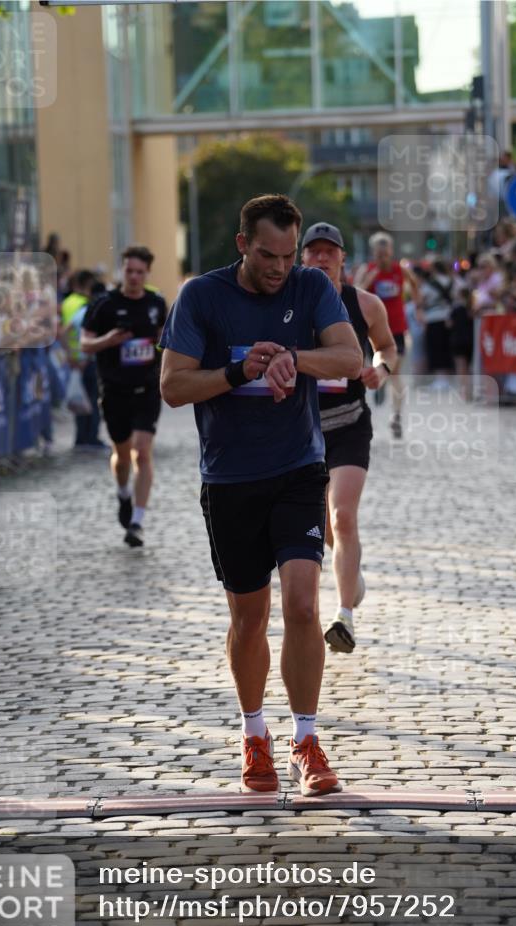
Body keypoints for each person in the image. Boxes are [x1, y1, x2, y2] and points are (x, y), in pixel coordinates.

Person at [160, 194, 363, 797]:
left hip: (299, 468)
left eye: (288, 256)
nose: (279, 268)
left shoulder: (309, 288)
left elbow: (351, 359)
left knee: (303, 606)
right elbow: (172, 386)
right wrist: (240, 369)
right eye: (268, 255)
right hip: (229, 479)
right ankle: (255, 735)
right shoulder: (202, 296)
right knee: (250, 618)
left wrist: (292, 359)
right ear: (242, 243)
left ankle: (306, 739)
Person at [300, 222, 396, 654]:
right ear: (302, 259)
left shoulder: (366, 304)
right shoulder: (290, 305)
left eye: (329, 252)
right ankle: (350, 574)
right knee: (323, 525)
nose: (321, 259)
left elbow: (388, 347)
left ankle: (344, 617)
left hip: (351, 424)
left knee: (342, 516)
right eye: (313, 252)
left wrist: (381, 369)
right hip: (303, 429)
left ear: (342, 259)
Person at [81, 246, 167, 547]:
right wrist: (110, 339)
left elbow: (164, 340)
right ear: (122, 271)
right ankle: (123, 493)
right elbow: (85, 344)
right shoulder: (104, 304)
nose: (133, 277)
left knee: (142, 451)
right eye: (129, 271)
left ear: (147, 274)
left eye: (139, 272)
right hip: (114, 390)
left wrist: (160, 343)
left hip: (146, 388)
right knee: (122, 454)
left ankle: (137, 522)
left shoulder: (156, 303)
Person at [355, 232, 419, 438]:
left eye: (386, 253)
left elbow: (415, 285)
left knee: (394, 373)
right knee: (374, 367)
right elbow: (354, 293)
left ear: (391, 252)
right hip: (372, 331)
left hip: (397, 330)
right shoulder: (368, 270)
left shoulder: (400, 270)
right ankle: (379, 379)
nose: (382, 258)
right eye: (378, 254)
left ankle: (397, 416)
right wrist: (368, 281)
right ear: (374, 253)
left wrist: (417, 307)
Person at [61, 269, 106, 451]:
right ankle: (92, 438)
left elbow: (63, 332)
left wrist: (71, 353)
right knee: (93, 400)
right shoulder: (94, 310)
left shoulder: (79, 308)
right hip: (91, 361)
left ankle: (81, 438)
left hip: (78, 362)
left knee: (81, 400)